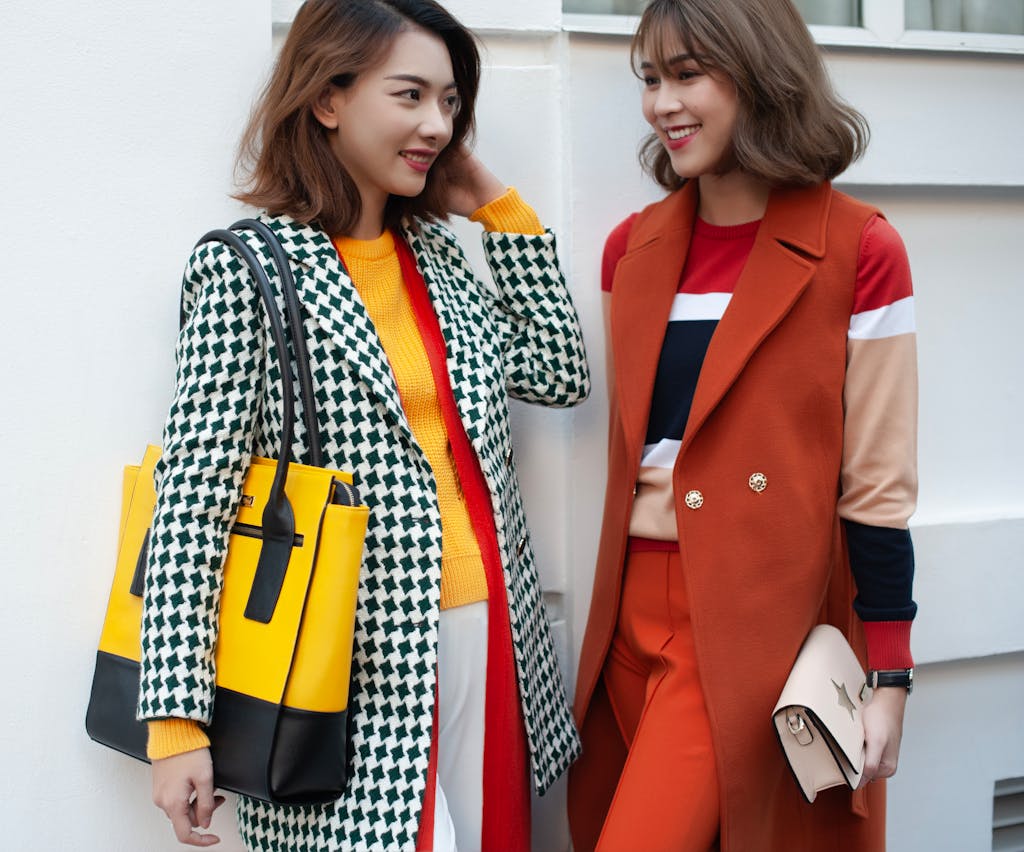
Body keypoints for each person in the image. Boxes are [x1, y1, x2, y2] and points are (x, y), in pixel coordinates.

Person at [137, 1, 590, 849]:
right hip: (346, 671)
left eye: (450, 103)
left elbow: (560, 374)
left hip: (487, 633)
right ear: (327, 98)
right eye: (410, 95)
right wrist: (175, 723)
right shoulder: (249, 270)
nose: (436, 125)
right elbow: (194, 499)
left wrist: (497, 206)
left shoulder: (438, 258)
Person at [569, 0, 918, 849]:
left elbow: (878, 484)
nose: (661, 103)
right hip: (623, 618)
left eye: (688, 74)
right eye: (650, 79)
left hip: (742, 613)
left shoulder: (860, 248)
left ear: (760, 75)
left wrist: (891, 677)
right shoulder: (631, 249)